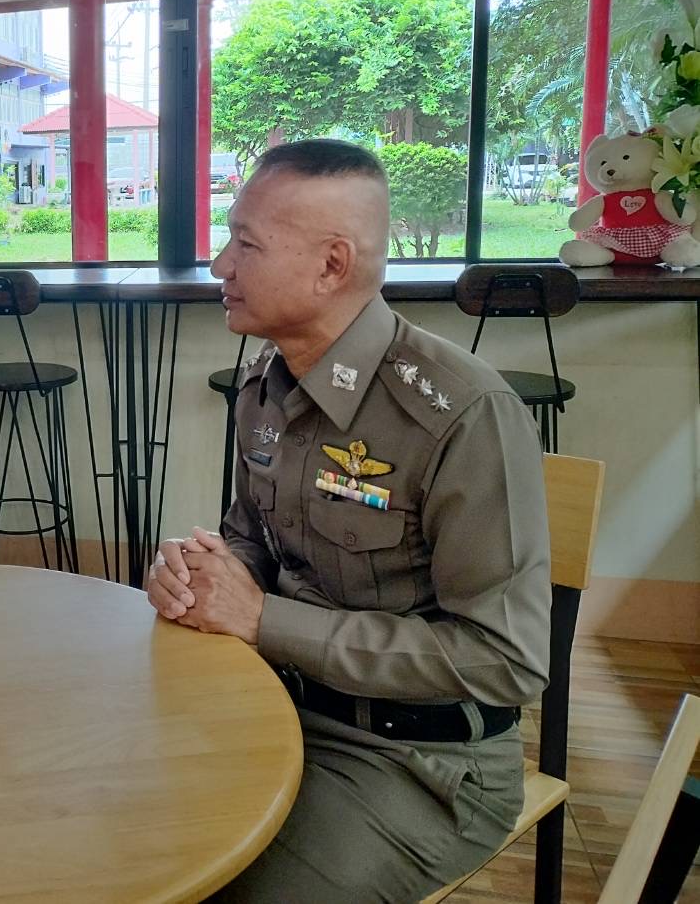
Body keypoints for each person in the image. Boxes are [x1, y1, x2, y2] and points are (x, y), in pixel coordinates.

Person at [145, 140, 551, 903]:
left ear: (331, 266)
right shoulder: (265, 383)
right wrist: (198, 571)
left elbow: (504, 660)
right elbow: (251, 537)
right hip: (272, 704)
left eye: (245, 244)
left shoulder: (460, 413)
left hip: (414, 760)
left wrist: (261, 619)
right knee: (117, 828)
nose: (219, 265)